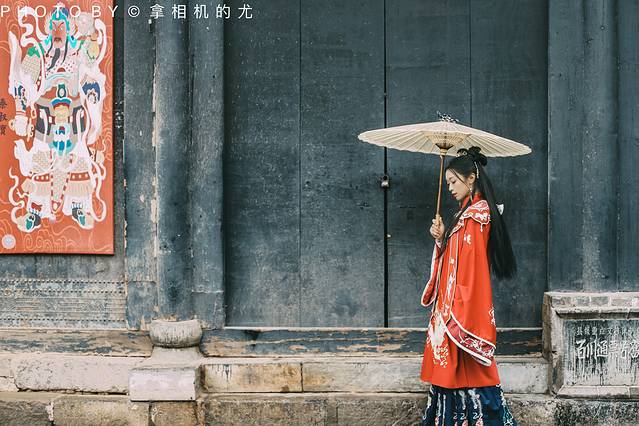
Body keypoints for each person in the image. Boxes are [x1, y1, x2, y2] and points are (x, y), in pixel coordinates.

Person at [419, 146, 518, 426]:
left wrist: (457, 307)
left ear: (471, 178)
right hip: (452, 303)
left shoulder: (476, 216)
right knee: (453, 368)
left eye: (453, 181)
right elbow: (454, 259)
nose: (450, 188)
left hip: (460, 305)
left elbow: (471, 268)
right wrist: (441, 238)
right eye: (448, 182)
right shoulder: (465, 215)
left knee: (466, 366)